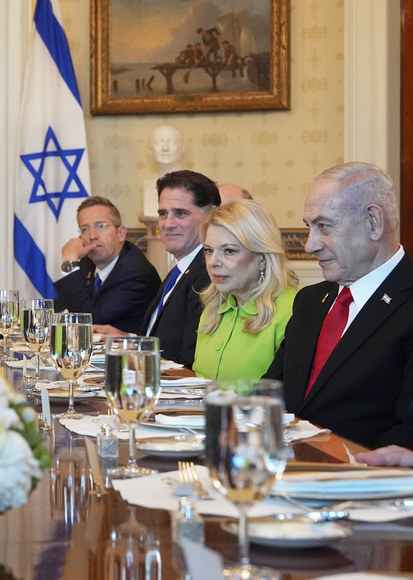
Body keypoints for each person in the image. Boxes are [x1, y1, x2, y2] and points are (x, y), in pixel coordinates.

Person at [265, 162, 413, 448]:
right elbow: (273, 392)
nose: (310, 245)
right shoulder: (310, 301)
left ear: (373, 223)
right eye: (309, 227)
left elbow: (405, 436)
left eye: (324, 227)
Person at [99, 170, 220, 367]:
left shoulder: (209, 273)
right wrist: (132, 341)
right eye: (163, 214)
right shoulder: (181, 269)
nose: (168, 224)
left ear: (210, 216)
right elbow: (170, 340)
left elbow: (189, 359)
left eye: (180, 213)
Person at [193, 200, 297, 379]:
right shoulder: (213, 308)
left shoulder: (293, 311)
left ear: (262, 257)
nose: (212, 262)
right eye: (209, 250)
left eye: (229, 251)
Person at [53, 197, 160, 333]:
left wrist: (69, 262)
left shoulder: (136, 272)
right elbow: (61, 306)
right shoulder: (88, 263)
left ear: (121, 233)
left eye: (100, 226)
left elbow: (90, 319)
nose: (92, 236)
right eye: (85, 229)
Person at [142, 125, 185, 217]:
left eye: (172, 142)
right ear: (150, 150)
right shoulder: (148, 184)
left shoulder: (193, 185)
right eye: (158, 142)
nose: (165, 148)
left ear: (182, 148)